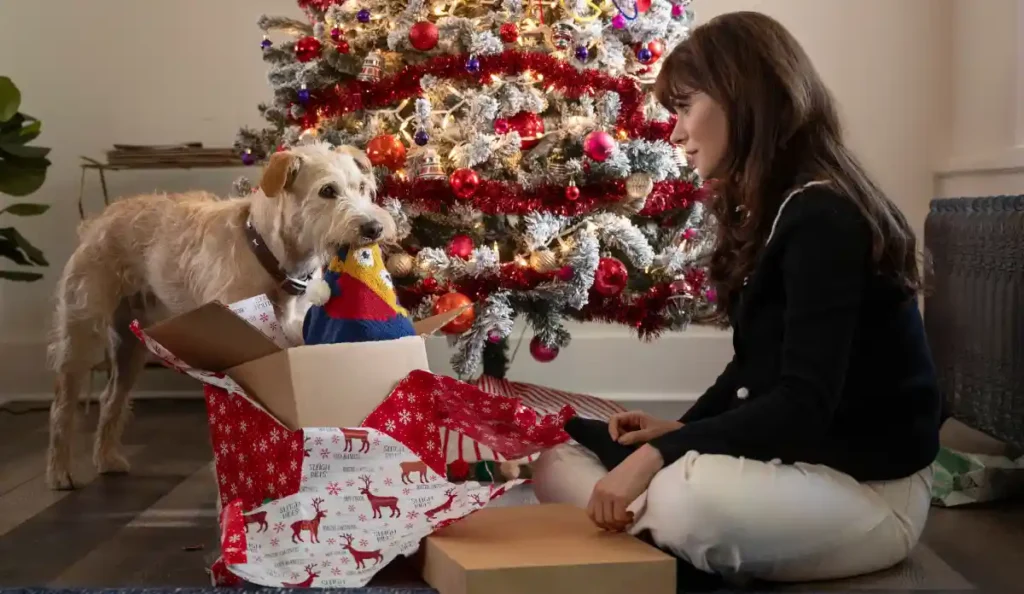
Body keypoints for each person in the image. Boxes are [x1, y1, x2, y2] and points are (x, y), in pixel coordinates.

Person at [532, 10, 943, 586]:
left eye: (684, 107)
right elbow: (751, 371)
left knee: (687, 499)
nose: (673, 133)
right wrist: (677, 433)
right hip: (798, 464)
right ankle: (651, 533)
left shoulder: (826, 216)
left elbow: (803, 401)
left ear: (742, 98)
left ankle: (651, 529)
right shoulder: (780, 211)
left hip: (867, 490)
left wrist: (659, 458)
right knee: (557, 458)